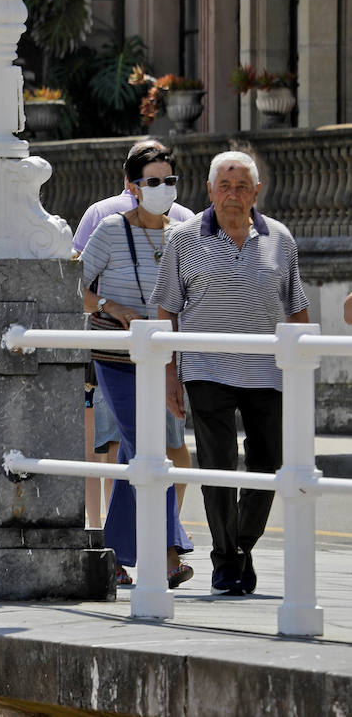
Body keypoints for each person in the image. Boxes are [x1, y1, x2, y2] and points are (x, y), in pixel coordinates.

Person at [152, 150, 308, 596]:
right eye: (225, 186)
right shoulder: (183, 239)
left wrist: (300, 377)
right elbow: (166, 312)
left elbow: (296, 310)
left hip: (268, 373)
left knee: (269, 464)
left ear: (256, 192)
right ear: (209, 191)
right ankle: (225, 561)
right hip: (206, 369)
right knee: (218, 465)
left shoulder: (280, 238)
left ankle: (241, 544)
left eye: (242, 187)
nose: (233, 195)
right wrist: (169, 376)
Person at [80, 143, 195, 588]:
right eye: (153, 182)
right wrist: (112, 305)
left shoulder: (183, 232)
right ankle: (166, 554)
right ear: (132, 186)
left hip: (163, 358)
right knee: (146, 445)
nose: (163, 189)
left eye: (170, 181)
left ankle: (115, 556)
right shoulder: (110, 228)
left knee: (139, 452)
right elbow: (76, 285)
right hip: (116, 355)